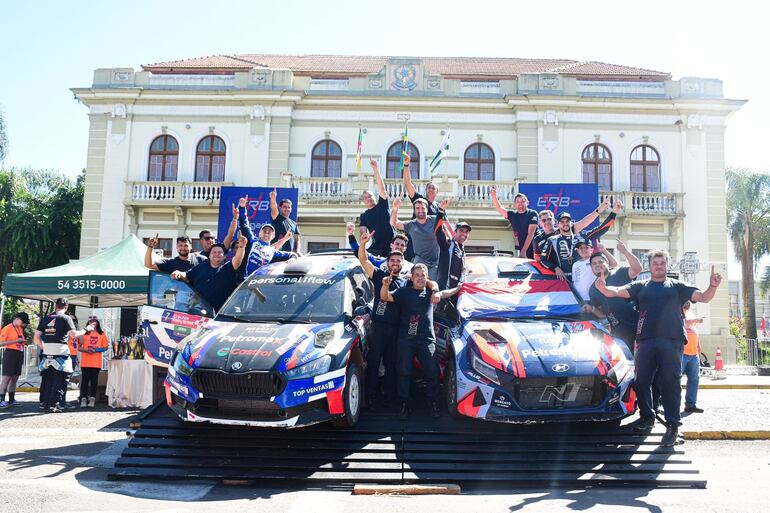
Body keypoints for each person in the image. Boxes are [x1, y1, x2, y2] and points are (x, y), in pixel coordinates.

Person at [594, 250, 723, 446]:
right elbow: (616, 292)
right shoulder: (641, 286)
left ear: (667, 265)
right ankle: (647, 416)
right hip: (645, 341)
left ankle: (672, 425)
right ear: (650, 266)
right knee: (640, 381)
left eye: (662, 263)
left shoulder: (678, 286)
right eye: (655, 263)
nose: (659, 266)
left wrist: (713, 286)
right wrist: (603, 288)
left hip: (672, 342)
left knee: (670, 383)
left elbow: (704, 297)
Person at [380, 263, 459, 420]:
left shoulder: (431, 291)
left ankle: (433, 403)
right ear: (412, 277)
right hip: (406, 340)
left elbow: (445, 293)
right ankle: (404, 404)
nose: (420, 278)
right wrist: (384, 285)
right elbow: (385, 296)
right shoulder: (404, 292)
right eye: (417, 275)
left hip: (427, 339)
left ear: (427, 277)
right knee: (403, 372)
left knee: (432, 372)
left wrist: (459, 288)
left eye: (423, 275)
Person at [357, 231, 407, 411]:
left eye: (398, 261)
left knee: (391, 364)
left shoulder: (405, 282)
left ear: (402, 264)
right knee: (373, 363)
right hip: (378, 327)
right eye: (392, 261)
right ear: (387, 262)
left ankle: (389, 397)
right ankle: (370, 396)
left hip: (396, 329)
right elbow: (363, 260)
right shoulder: (378, 275)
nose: (395, 263)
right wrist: (363, 243)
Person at [543, 199, 621, 280]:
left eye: (567, 221)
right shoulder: (552, 240)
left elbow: (602, 228)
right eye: (562, 222)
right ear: (557, 224)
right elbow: (543, 260)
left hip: (582, 277)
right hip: (562, 279)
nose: (565, 223)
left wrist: (614, 213)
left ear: (571, 222)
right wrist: (556, 268)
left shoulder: (582, 237)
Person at [588, 238, 643, 352]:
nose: (598, 265)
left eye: (600, 262)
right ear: (591, 268)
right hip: (619, 332)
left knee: (645, 360)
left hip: (640, 324)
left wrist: (625, 251)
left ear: (607, 263)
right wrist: (592, 309)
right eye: (594, 263)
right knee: (626, 363)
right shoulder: (593, 289)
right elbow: (602, 314)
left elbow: (637, 269)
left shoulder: (620, 272)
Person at [34, 298, 85, 413]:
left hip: (47, 352)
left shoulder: (46, 318)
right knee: (61, 378)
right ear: (66, 306)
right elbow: (73, 334)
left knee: (48, 378)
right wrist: (86, 330)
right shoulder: (66, 318)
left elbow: (36, 337)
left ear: (55, 306)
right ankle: (55, 404)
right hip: (61, 352)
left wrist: (44, 348)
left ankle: (45, 403)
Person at [171, 236, 247, 312]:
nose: (216, 254)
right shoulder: (200, 267)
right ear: (209, 256)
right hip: (198, 312)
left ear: (224, 257)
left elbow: (238, 259)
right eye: (214, 252)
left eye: (220, 252)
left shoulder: (228, 268)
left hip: (220, 315)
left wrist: (242, 246)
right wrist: (179, 273)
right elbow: (186, 276)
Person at [533, 196, 612, 261]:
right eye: (544, 220)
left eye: (549, 219)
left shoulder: (564, 229)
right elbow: (537, 257)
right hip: (552, 273)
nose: (547, 222)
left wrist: (600, 209)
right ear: (540, 223)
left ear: (554, 221)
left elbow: (584, 222)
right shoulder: (537, 239)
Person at [390, 197, 450, 281]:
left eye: (423, 208)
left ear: (427, 209)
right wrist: (395, 209)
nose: (420, 210)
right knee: (416, 281)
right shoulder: (411, 224)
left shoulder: (434, 219)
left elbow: (448, 234)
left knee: (433, 283)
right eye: (417, 208)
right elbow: (394, 223)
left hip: (435, 261)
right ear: (414, 210)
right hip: (420, 259)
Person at [237, 197, 297, 277]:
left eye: (269, 233)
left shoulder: (273, 251)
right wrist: (242, 207)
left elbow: (291, 254)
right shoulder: (252, 241)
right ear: (259, 233)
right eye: (264, 231)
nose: (267, 234)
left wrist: (292, 259)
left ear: (273, 237)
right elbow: (244, 224)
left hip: (258, 283)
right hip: (243, 282)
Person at [402, 154, 439, 260]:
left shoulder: (438, 208)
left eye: (433, 188)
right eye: (429, 187)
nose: (431, 189)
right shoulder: (420, 200)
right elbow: (408, 184)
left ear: (437, 192)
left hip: (432, 253)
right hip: (414, 249)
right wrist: (406, 165)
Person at [359, 159, 395, 257]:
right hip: (376, 248)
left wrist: (375, 169)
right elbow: (362, 230)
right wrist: (364, 236)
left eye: (370, 196)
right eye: (365, 198)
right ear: (363, 201)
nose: (368, 198)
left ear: (375, 196)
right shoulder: (364, 215)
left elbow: (382, 188)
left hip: (391, 246)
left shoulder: (382, 204)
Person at [346, 223, 413, 274]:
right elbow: (360, 253)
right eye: (397, 244)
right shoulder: (379, 262)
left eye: (402, 245)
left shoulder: (411, 267)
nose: (399, 247)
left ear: (405, 248)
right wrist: (351, 235)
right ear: (391, 245)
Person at [490, 189, 538, 258]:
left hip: (535, 248)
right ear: (515, 204)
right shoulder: (513, 215)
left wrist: (523, 251)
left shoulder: (532, 214)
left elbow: (531, 233)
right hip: (523, 249)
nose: (520, 203)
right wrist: (494, 196)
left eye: (522, 201)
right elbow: (499, 208)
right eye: (518, 202)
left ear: (527, 203)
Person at [0, 312, 30, 408]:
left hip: (19, 353)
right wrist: (17, 341)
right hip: (10, 353)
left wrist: (24, 343)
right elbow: (1, 343)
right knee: (6, 378)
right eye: (23, 322)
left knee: (15, 378)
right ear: (17, 319)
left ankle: (12, 399)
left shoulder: (19, 328)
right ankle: (1, 400)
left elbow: (20, 340)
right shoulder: (7, 328)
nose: (23, 324)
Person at [77, 317, 109, 408]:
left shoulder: (102, 334)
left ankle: (92, 399)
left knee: (94, 381)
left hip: (96, 362)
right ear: (88, 323)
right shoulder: (84, 333)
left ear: (98, 323)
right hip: (85, 362)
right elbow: (78, 347)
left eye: (94, 321)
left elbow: (106, 347)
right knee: (85, 381)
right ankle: (83, 398)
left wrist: (96, 350)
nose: (92, 322)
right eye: (91, 321)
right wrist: (87, 350)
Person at [682, 301, 704, 413]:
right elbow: (684, 323)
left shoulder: (691, 313)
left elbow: (695, 330)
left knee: (694, 380)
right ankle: (668, 406)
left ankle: (690, 404)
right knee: (674, 380)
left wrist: (699, 347)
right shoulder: (677, 312)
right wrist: (696, 320)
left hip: (693, 354)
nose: (687, 301)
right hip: (681, 353)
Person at [436, 221, 471, 291]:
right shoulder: (448, 244)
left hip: (458, 289)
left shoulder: (462, 250)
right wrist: (440, 212)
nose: (464, 233)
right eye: (461, 230)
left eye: (466, 232)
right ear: (454, 233)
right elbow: (438, 231)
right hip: (446, 289)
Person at [269, 188, 301, 253]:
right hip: (276, 255)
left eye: (289, 207)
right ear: (280, 208)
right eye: (285, 207)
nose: (287, 209)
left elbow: (297, 240)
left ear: (291, 209)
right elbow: (273, 208)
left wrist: (297, 252)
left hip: (289, 257)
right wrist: (273, 198)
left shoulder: (294, 224)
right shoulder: (276, 218)